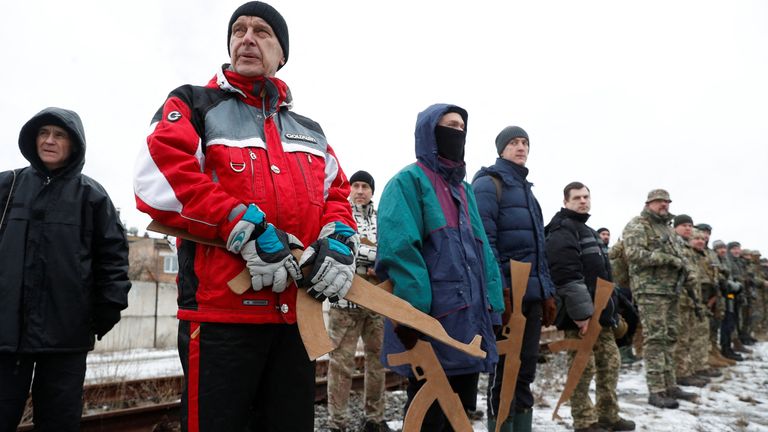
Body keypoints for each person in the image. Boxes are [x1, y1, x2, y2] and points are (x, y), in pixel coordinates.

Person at [133, 3, 357, 431]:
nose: (247, 37)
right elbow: (156, 177)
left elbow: (337, 194)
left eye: (262, 31)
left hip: (295, 319)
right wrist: (240, 224)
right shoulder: (194, 103)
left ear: (282, 55)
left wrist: (340, 239)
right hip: (220, 320)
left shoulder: (310, 131)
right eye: (239, 30)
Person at [0, 107, 131, 431]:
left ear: (74, 144)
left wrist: (103, 313)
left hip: (65, 335)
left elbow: (113, 260)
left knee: (59, 421)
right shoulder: (8, 186)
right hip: (5, 334)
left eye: (59, 135)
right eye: (43, 133)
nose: (49, 140)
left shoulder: (92, 196)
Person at [376, 103, 504, 431]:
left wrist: (495, 306)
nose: (456, 132)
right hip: (433, 321)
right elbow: (400, 251)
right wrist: (412, 314)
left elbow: (482, 251)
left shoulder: (465, 190)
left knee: (459, 409)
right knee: (429, 409)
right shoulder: (408, 182)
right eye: (449, 125)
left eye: (461, 127)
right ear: (429, 133)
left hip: (469, 321)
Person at [472, 125, 557, 431]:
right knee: (504, 370)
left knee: (525, 371)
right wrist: (500, 292)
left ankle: (522, 426)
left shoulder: (528, 192)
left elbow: (539, 250)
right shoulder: (488, 184)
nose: (521, 147)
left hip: (532, 296)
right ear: (501, 150)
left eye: (525, 142)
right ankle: (500, 426)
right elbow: (483, 240)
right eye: (513, 143)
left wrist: (547, 292)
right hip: (508, 296)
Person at [544, 182, 635, 432]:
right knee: (582, 369)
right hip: (579, 318)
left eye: (586, 197)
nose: (583, 201)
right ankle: (584, 421)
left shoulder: (589, 231)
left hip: (602, 315)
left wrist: (612, 310)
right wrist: (582, 315)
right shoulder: (562, 231)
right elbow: (566, 276)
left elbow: (603, 276)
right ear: (566, 202)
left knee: (610, 364)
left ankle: (608, 415)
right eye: (577, 198)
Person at [621, 189, 698, 409]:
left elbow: (681, 256)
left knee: (671, 336)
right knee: (656, 338)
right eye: (659, 202)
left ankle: (670, 384)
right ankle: (656, 390)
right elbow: (633, 254)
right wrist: (666, 259)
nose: (664, 205)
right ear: (648, 203)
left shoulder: (667, 229)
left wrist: (686, 270)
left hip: (671, 290)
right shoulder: (638, 225)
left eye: (667, 201)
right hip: (650, 291)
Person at [327, 170, 389, 432]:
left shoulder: (383, 218)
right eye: (356, 185)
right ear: (350, 189)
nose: (360, 190)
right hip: (344, 303)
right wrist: (375, 257)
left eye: (365, 186)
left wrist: (378, 261)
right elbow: (340, 246)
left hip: (376, 302)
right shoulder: (340, 215)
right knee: (340, 365)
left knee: (378, 362)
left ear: (372, 191)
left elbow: (391, 249)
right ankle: (336, 423)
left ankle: (375, 419)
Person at [670, 215, 715, 387]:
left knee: (689, 337)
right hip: (680, 301)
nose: (700, 241)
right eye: (696, 238)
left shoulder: (697, 255)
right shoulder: (680, 250)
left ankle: (690, 369)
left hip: (691, 301)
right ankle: (682, 372)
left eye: (702, 238)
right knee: (682, 338)